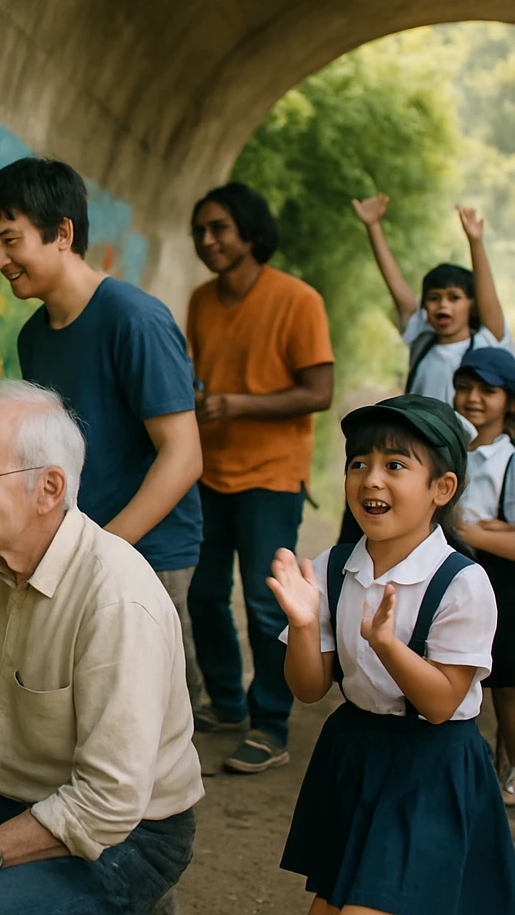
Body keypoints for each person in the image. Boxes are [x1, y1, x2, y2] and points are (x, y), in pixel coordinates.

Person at [0, 379, 203, 915]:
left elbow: (107, 804)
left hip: (132, 836)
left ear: (49, 489)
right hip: (20, 793)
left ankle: (135, 900)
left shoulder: (117, 601)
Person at [0, 157, 206, 705]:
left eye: (10, 240)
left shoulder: (134, 320)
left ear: (63, 234)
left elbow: (183, 456)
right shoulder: (34, 337)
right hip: (79, 550)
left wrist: (104, 549)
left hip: (148, 548)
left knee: (149, 711)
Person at [269, 394, 515, 915]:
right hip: (357, 754)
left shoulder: (462, 584)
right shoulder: (334, 567)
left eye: (395, 465)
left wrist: (387, 645)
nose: (371, 479)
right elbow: (310, 689)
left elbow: (442, 702)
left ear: (441, 489)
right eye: (359, 463)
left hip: (431, 764)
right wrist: (304, 623)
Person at [186, 182, 334, 773]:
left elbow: (319, 392)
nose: (207, 240)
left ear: (250, 231)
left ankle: (271, 725)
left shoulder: (298, 300)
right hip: (209, 471)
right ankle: (228, 705)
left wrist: (236, 405)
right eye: (200, 230)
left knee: (266, 601)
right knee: (202, 594)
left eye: (219, 227)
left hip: (272, 475)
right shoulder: (199, 299)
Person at [352, 193, 510, 402]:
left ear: (472, 305)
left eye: (454, 298)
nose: (443, 304)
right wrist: (373, 227)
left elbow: (488, 299)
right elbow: (396, 285)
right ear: (425, 306)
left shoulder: (485, 342)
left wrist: (475, 242)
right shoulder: (422, 339)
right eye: (434, 298)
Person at [451, 347, 515, 806]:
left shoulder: (509, 458)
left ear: (508, 400)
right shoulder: (450, 448)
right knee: (457, 675)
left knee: (506, 687)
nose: (473, 398)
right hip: (456, 574)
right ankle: (472, 773)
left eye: (488, 391)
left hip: (502, 581)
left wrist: (468, 529)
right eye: (465, 387)